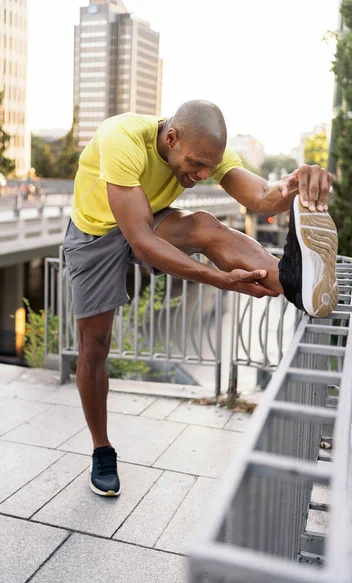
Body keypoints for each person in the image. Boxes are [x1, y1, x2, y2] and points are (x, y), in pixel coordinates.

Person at [63, 100, 338, 497]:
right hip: (95, 233)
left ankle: (295, 282)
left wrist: (295, 185)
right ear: (170, 137)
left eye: (211, 166)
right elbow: (139, 240)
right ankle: (102, 448)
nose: (204, 175)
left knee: (207, 226)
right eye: (196, 165)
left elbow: (261, 198)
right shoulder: (120, 137)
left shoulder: (204, 148)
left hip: (149, 215)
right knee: (94, 348)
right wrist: (219, 279)